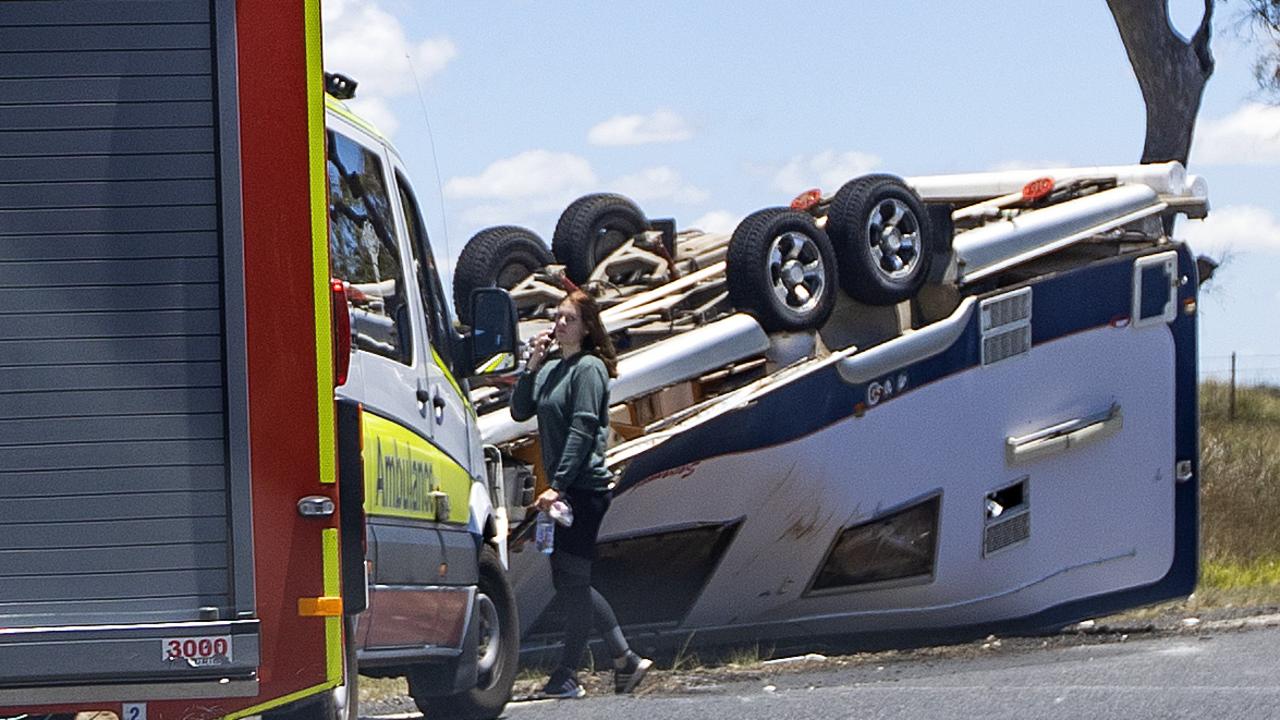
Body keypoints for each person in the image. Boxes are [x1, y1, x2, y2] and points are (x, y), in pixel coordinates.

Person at [510, 289, 653, 699]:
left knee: (573, 580)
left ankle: (572, 673)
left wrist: (558, 484)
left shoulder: (589, 369)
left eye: (568, 319)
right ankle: (623, 660)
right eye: (556, 317)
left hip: (583, 487)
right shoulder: (554, 367)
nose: (559, 324)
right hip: (562, 490)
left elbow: (583, 427)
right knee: (570, 581)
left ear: (587, 327)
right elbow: (520, 410)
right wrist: (532, 365)